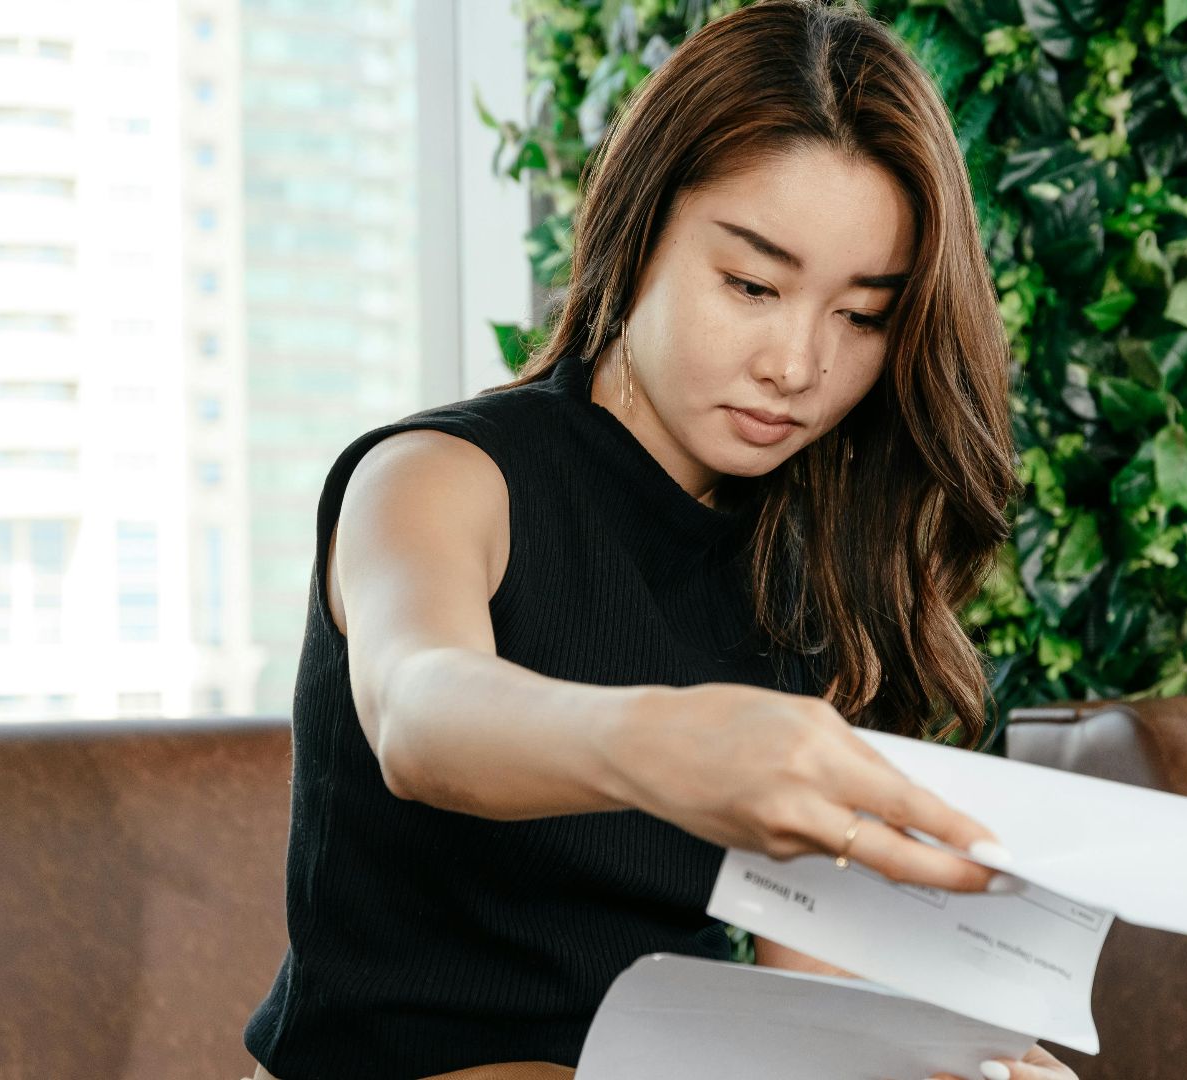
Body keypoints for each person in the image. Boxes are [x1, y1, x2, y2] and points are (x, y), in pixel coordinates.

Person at [243, 2, 1077, 1078]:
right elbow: (421, 713)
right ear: (639, 232)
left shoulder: (808, 572)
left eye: (862, 315)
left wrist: (939, 1061)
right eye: (752, 285)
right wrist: (671, 744)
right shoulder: (437, 477)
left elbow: (818, 999)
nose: (798, 365)